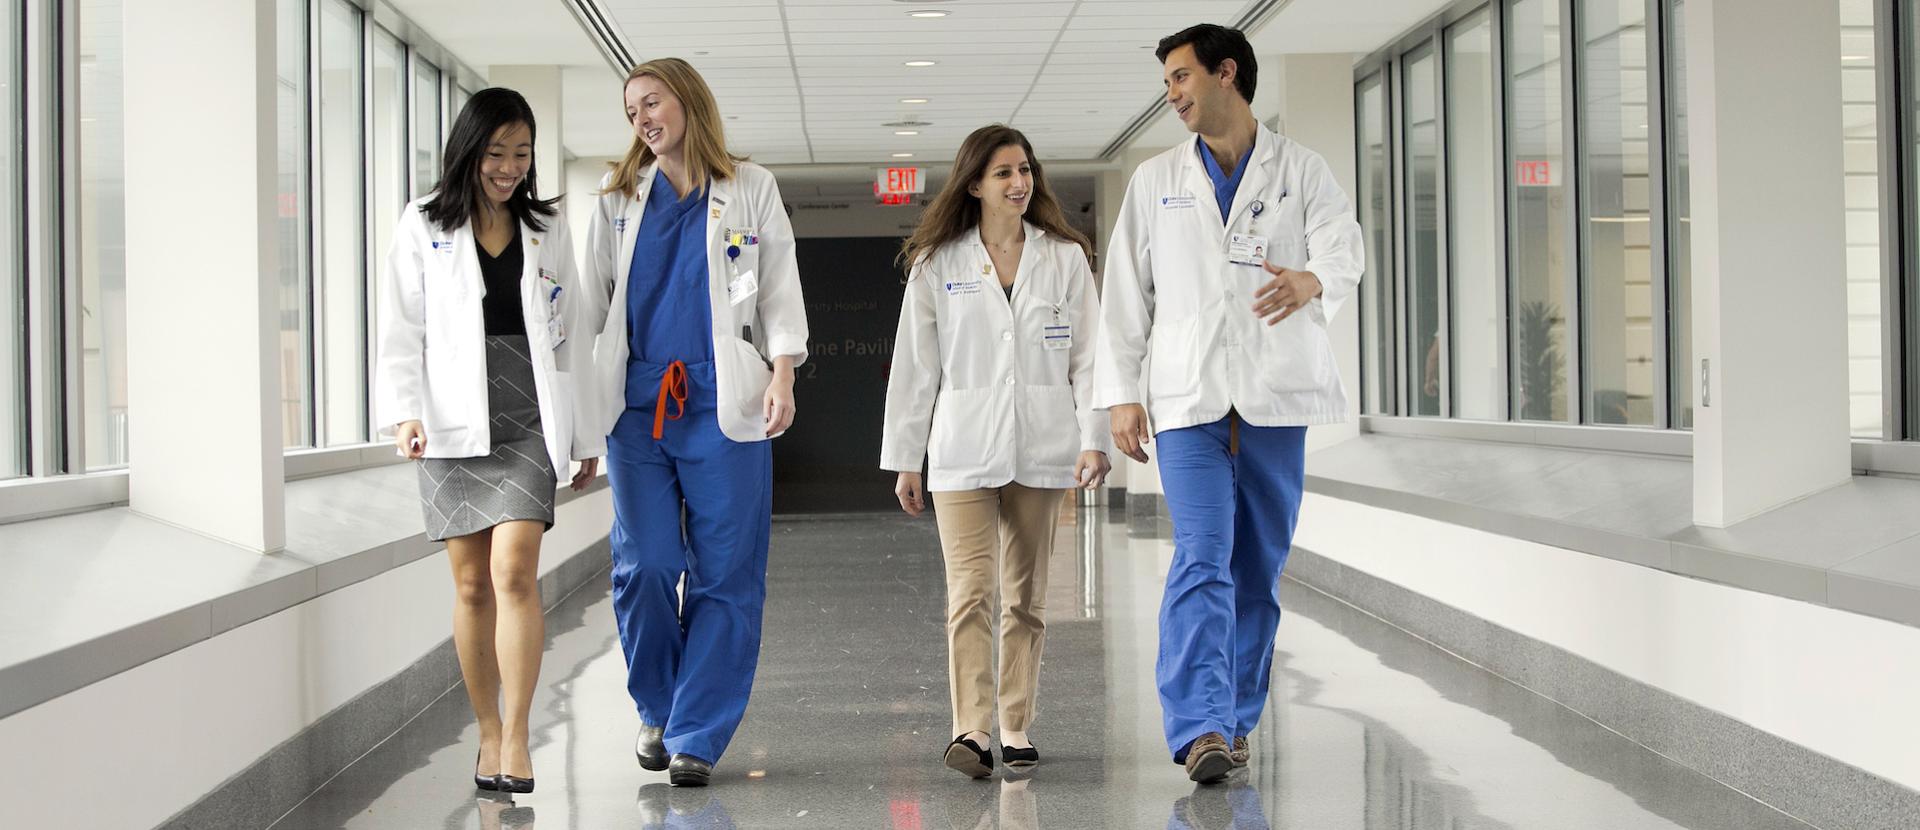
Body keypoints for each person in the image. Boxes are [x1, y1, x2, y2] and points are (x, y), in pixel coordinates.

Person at [1094, 24, 1363, 784]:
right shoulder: (1155, 182)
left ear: (1226, 74)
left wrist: (1314, 279)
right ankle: (1200, 725)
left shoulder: (1300, 169)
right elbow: (1125, 297)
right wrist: (1121, 397)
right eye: (1168, 84)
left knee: (1257, 567)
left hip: (1275, 397)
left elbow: (1345, 246)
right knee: (1202, 555)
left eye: (1181, 78)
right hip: (1188, 400)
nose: (1172, 95)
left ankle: (1236, 717)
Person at [577, 57, 809, 788]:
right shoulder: (617, 199)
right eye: (631, 111)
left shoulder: (751, 187)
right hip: (638, 411)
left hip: (725, 405)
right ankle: (658, 704)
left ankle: (697, 734)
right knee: (643, 565)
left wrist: (782, 375)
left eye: (653, 101)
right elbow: (587, 313)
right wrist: (577, 425)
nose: (643, 119)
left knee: (726, 575)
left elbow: (776, 291)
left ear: (688, 101)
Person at [373, 87, 599, 795]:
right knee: (472, 584)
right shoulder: (423, 222)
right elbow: (401, 324)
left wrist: (583, 431)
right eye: (497, 152)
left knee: (513, 572)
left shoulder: (547, 225)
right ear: (469, 150)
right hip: (449, 413)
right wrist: (405, 412)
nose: (509, 167)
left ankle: (522, 734)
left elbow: (573, 334)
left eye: (522, 153)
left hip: (529, 410)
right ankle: (488, 732)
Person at [880, 125, 1111, 779]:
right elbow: (914, 367)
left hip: (1044, 449)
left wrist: (1094, 439)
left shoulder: (1064, 257)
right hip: (962, 450)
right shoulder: (939, 262)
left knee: (1027, 598)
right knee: (970, 593)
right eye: (1004, 172)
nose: (1019, 182)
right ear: (975, 183)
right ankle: (971, 729)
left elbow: (1091, 358)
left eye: (1025, 170)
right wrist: (907, 456)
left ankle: (1015, 721)